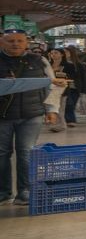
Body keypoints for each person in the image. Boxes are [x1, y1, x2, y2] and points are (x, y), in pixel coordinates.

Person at [0, 30, 51, 205]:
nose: (15, 44)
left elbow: (51, 86)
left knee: (26, 152)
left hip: (32, 115)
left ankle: (25, 191)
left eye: (19, 41)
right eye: (10, 41)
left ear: (26, 43)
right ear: (2, 42)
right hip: (2, 116)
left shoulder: (39, 61)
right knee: (1, 154)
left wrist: (52, 110)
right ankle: (3, 192)